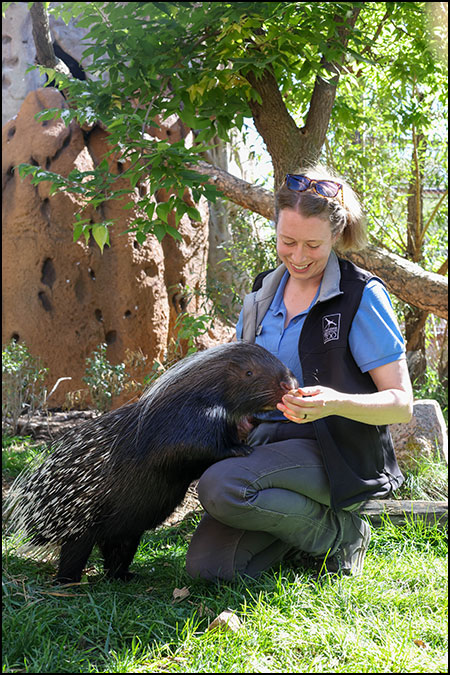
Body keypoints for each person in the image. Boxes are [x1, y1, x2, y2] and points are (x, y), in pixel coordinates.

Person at [186, 165, 413, 581]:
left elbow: (401, 404)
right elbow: (239, 380)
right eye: (287, 242)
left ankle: (339, 534)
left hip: (334, 451)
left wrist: (334, 402)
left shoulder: (362, 295)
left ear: (336, 237)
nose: (298, 256)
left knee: (220, 487)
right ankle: (302, 531)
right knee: (210, 569)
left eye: (313, 245)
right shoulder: (260, 294)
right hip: (265, 446)